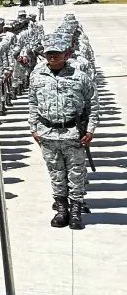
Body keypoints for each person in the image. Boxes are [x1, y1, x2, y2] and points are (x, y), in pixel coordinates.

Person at [29, 34, 98, 230]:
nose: (53, 57)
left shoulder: (79, 76)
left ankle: (75, 211)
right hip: (47, 133)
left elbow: (93, 104)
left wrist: (91, 129)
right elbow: (33, 103)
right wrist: (33, 128)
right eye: (49, 53)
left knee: (76, 174)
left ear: (65, 53)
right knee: (56, 173)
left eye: (57, 53)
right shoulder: (37, 76)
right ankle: (62, 210)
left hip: (73, 133)